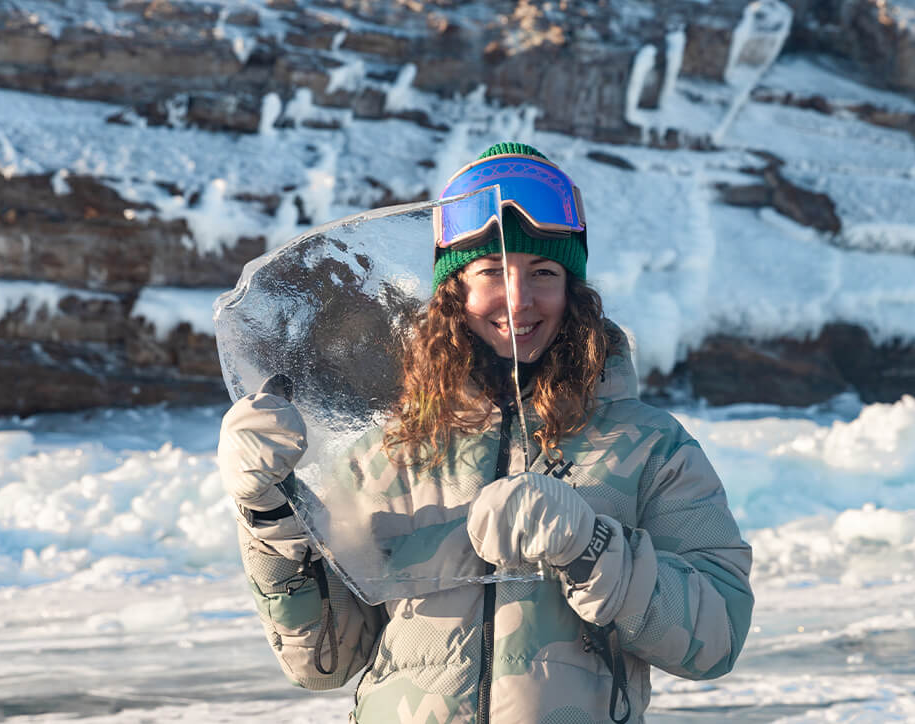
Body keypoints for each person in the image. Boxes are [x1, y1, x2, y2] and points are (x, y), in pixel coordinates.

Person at [217, 142, 753, 723]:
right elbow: (323, 660)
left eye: (543, 272)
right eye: (492, 271)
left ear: (574, 291)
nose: (520, 299)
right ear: (454, 291)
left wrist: (590, 546)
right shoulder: (386, 453)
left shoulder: (651, 447)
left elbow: (716, 638)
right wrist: (268, 511)